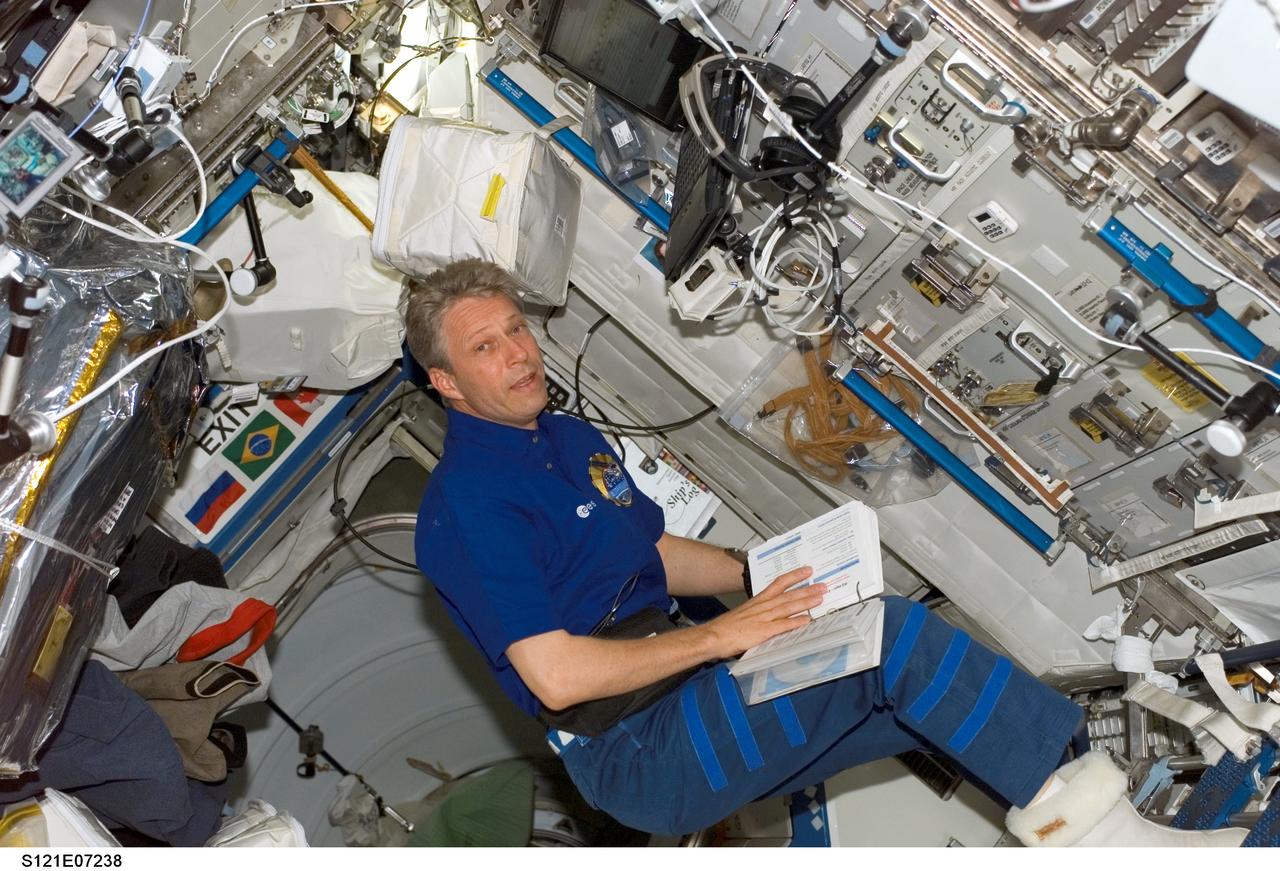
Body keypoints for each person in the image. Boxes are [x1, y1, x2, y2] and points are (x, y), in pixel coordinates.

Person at [409, 258, 1246, 847]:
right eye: (485, 347)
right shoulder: (465, 504)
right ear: (445, 384)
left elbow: (653, 554)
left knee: (904, 698)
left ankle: (1117, 815)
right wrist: (724, 634)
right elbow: (555, 675)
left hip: (684, 687)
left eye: (517, 328)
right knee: (889, 642)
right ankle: (1115, 840)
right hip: (634, 750)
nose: (518, 354)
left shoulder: (562, 432)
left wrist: (770, 574)